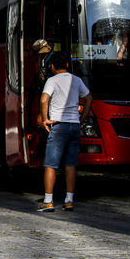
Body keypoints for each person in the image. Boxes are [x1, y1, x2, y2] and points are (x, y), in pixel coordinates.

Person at [38, 52, 93, 212]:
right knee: (70, 165)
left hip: (58, 125)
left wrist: (44, 119)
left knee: (50, 165)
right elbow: (89, 98)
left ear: (53, 66)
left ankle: (48, 200)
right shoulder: (76, 80)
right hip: (74, 125)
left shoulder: (52, 80)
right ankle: (69, 200)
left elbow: (43, 99)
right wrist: (82, 118)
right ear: (67, 65)